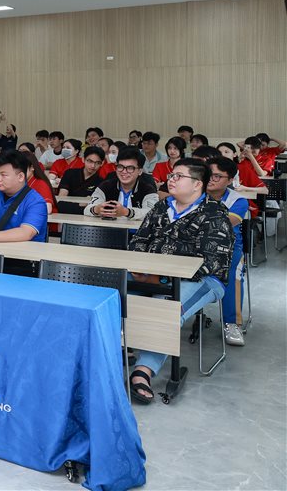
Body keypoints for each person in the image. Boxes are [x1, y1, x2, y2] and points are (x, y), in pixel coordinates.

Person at [128, 159, 233, 403]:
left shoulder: (214, 213)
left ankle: (143, 371)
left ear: (197, 184)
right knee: (115, 296)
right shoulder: (162, 207)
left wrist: (161, 276)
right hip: (151, 274)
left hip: (202, 279)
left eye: (178, 176)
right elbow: (139, 240)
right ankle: (117, 352)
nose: (171, 180)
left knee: (166, 307)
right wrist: (140, 266)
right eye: (171, 175)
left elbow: (211, 262)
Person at [205, 156, 249, 347]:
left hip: (228, 248)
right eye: (209, 174)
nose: (211, 179)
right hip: (195, 245)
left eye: (217, 176)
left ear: (230, 179)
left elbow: (224, 224)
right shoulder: (194, 192)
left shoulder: (237, 200)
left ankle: (232, 323)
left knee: (233, 274)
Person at [85, 147, 159, 220]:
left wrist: (126, 212)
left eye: (130, 168)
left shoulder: (148, 189)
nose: (124, 171)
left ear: (139, 171)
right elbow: (87, 209)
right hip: (109, 227)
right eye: (120, 167)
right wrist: (97, 209)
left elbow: (152, 214)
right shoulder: (105, 186)